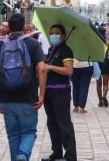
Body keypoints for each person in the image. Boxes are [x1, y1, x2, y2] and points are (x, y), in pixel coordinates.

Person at [0, 14, 47, 161]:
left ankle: (18, 157)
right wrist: (41, 95)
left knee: (13, 136)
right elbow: (42, 69)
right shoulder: (32, 44)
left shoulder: (1, 45)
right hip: (28, 98)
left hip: (6, 99)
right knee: (29, 132)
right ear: (23, 27)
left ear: (9, 28)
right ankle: (23, 154)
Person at [41, 24, 76, 161]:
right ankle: (56, 153)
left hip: (60, 91)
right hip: (49, 91)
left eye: (56, 33)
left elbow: (69, 70)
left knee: (64, 124)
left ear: (62, 36)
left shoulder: (66, 50)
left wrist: (50, 67)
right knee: (52, 124)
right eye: (51, 32)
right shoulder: (51, 50)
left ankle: (70, 156)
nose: (53, 35)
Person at [96, 26, 109, 107]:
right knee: (105, 83)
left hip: (97, 62)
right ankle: (104, 96)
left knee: (98, 83)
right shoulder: (107, 41)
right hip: (105, 61)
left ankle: (100, 101)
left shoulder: (94, 42)